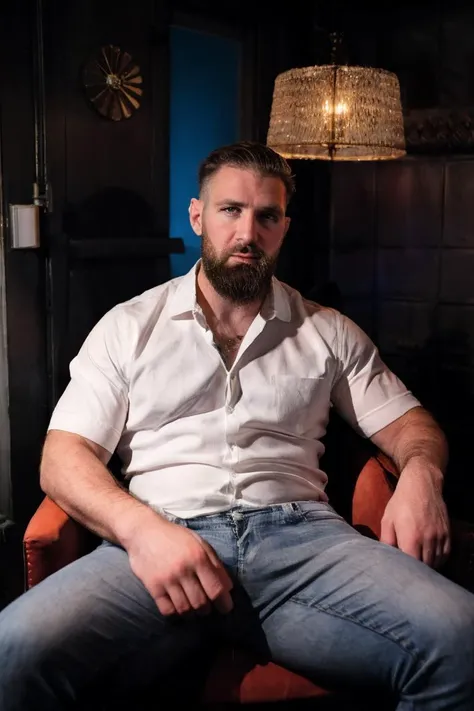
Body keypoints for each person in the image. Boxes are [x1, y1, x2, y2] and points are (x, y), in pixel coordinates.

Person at [0, 140, 473, 710]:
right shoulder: (128, 326)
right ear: (198, 215)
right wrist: (143, 532)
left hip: (304, 548)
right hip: (159, 541)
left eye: (266, 216)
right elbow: (62, 457)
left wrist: (422, 473)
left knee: (460, 637)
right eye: (230, 210)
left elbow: (412, 426)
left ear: (283, 227)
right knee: (15, 648)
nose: (248, 233)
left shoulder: (327, 330)